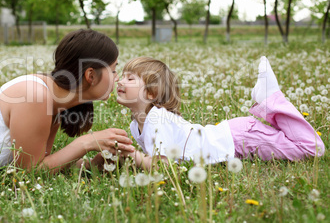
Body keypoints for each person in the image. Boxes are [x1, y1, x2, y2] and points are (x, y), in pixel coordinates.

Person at [0, 29, 135, 172]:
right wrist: (87, 142)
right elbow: (29, 170)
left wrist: (92, 164)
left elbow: (43, 162)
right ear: (91, 75)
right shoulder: (36, 96)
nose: (117, 76)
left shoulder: (57, 101)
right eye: (114, 69)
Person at [116, 56, 325, 170]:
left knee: (311, 149)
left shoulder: (155, 118)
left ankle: (271, 98)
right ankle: (268, 103)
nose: (120, 81)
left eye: (130, 78)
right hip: (234, 137)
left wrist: (130, 155)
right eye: (122, 76)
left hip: (241, 138)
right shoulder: (137, 123)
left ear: (151, 93)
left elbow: (163, 166)